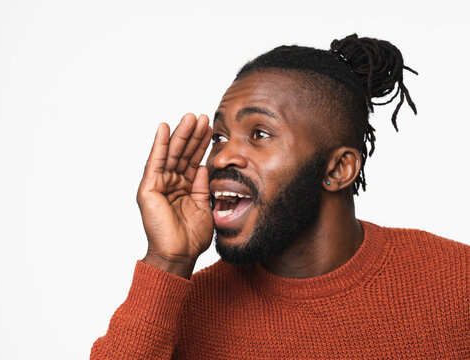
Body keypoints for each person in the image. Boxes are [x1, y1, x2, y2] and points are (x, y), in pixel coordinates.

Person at [90, 34, 469, 359]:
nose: (221, 157)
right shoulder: (177, 310)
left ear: (338, 170)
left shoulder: (456, 283)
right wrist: (167, 260)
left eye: (259, 134)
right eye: (220, 138)